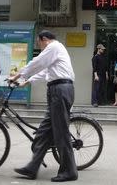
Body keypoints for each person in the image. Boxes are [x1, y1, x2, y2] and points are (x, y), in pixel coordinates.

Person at [8, 30, 77, 182]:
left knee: (61, 132)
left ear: (44, 39)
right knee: (43, 133)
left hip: (60, 90)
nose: (39, 46)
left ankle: (69, 171)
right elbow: (45, 70)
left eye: (38, 43)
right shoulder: (54, 52)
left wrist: (17, 76)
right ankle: (32, 168)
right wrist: (27, 81)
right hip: (56, 90)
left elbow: (37, 63)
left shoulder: (53, 47)